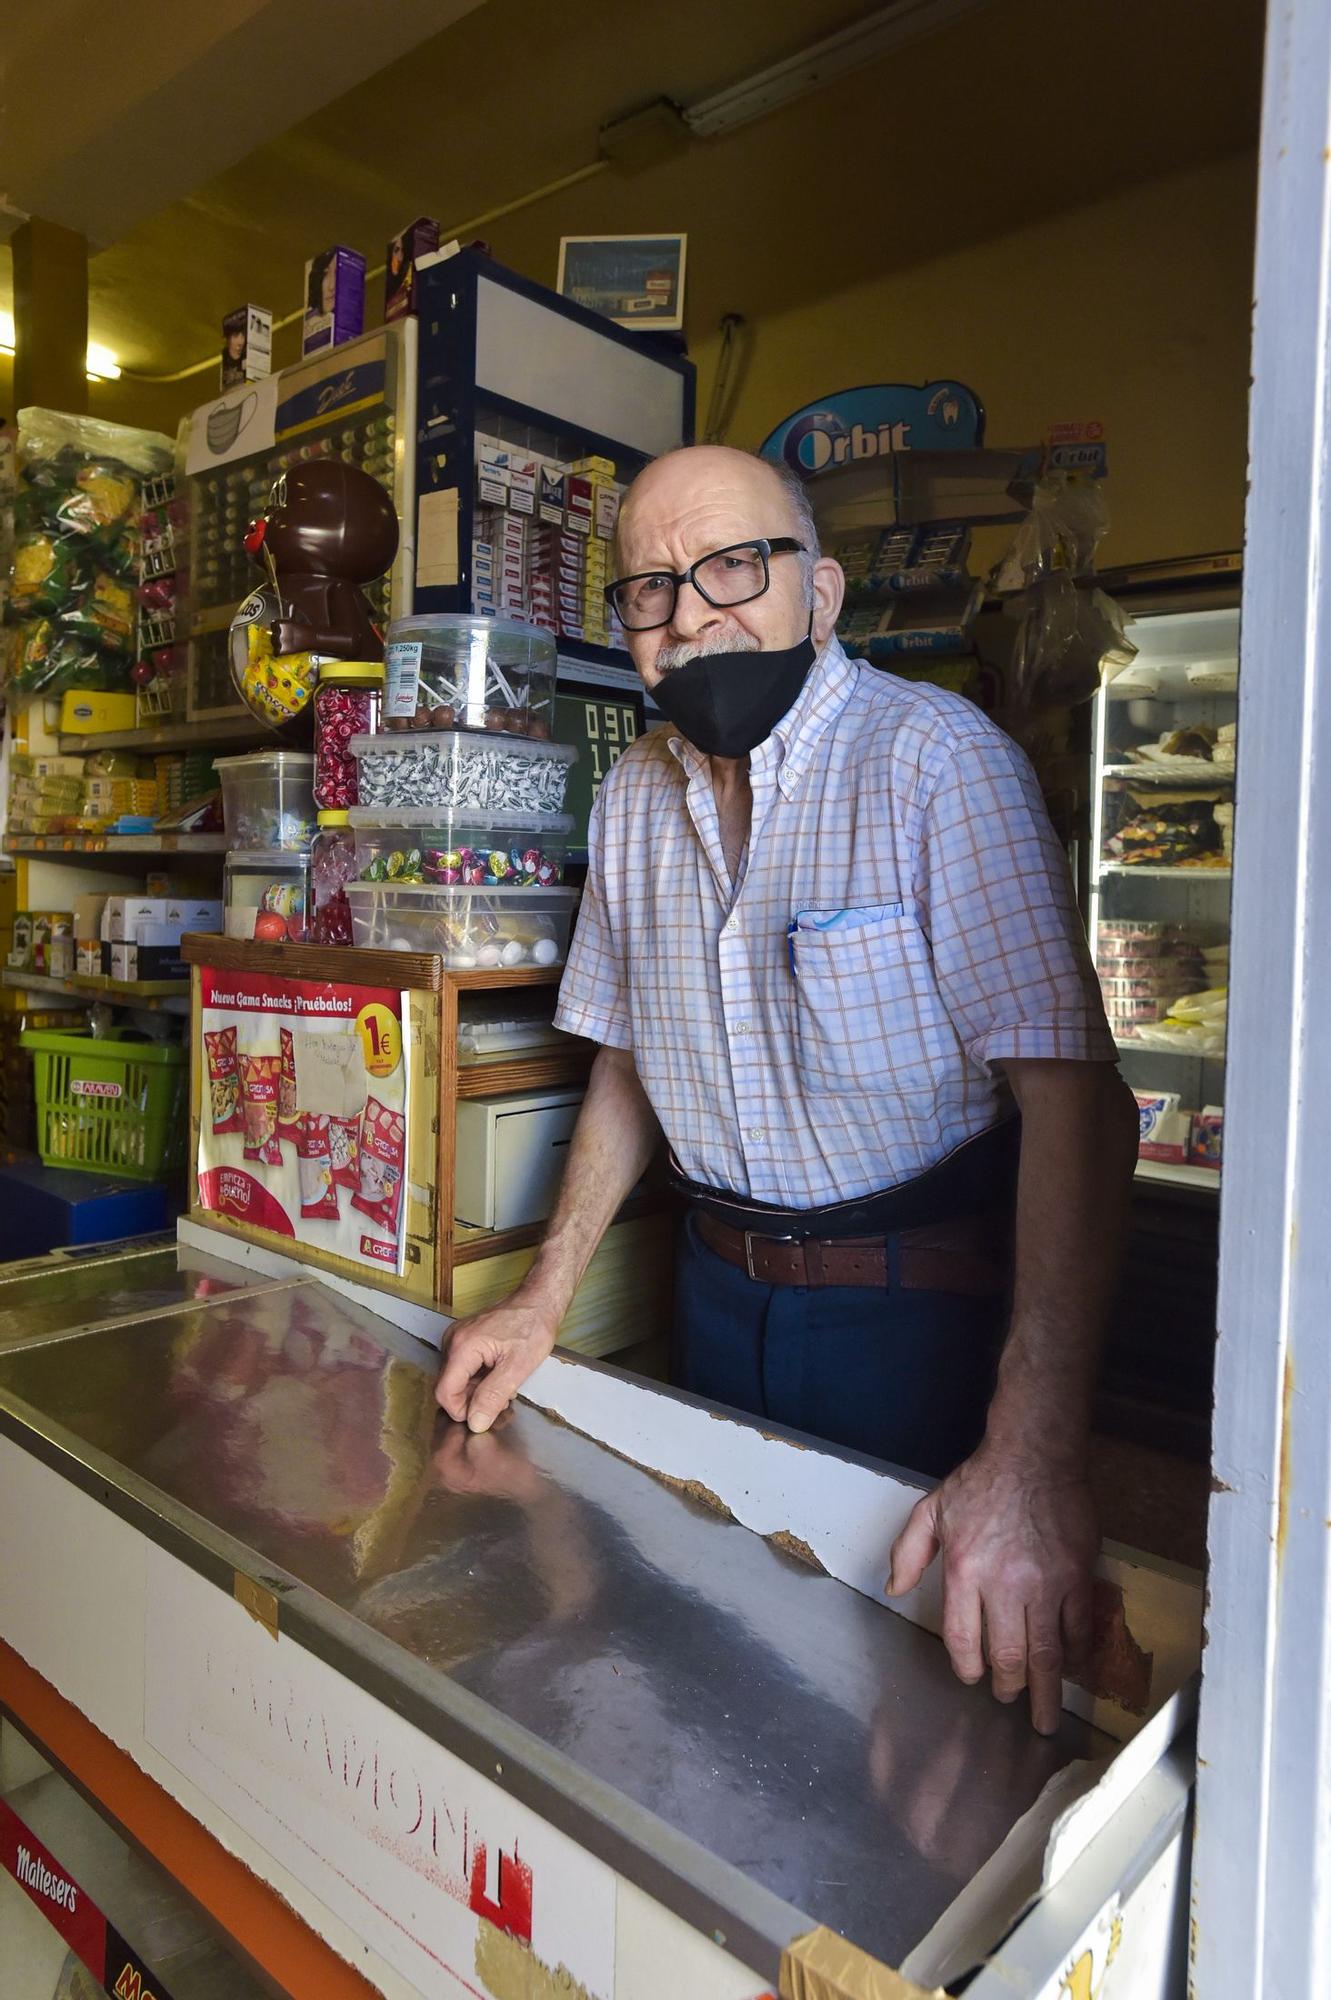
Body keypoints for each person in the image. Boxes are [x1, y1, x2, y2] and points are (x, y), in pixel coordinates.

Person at [437, 443, 1139, 1733]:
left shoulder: (936, 764)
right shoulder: (633, 801)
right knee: (725, 1666)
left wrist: (1034, 1457)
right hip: (713, 1299)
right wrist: (541, 1297)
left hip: (916, 1321)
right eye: (650, 587)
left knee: (920, 1707)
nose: (693, 611)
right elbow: (625, 1061)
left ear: (819, 593)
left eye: (732, 566)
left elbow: (1080, 1112)